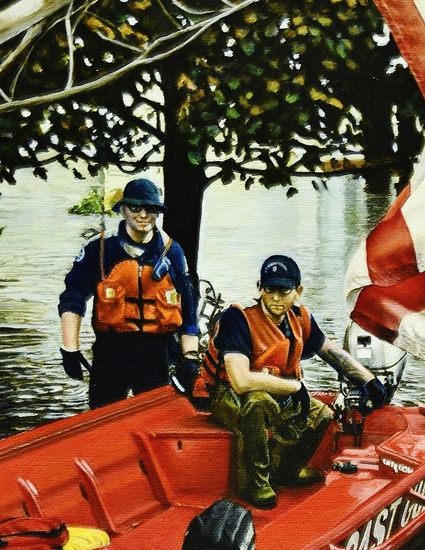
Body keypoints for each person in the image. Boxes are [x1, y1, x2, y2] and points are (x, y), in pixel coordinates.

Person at [193, 254, 390, 508]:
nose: (276, 298)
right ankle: (253, 484)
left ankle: (284, 470)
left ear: (298, 291)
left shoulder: (299, 320)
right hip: (225, 394)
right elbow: (240, 381)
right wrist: (294, 387)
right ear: (259, 289)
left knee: (321, 414)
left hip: (274, 390)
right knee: (258, 402)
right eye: (269, 289)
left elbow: (329, 351)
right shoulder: (238, 320)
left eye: (283, 290)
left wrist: (368, 380)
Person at [59, 177, 200, 409]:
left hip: (157, 352)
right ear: (123, 210)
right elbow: (72, 298)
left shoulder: (172, 252)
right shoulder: (100, 249)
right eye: (135, 207)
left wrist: (190, 357)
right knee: (102, 419)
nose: (143, 215)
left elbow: (189, 310)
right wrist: (70, 349)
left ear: (158, 213)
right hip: (111, 350)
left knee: (156, 417)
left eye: (151, 209)